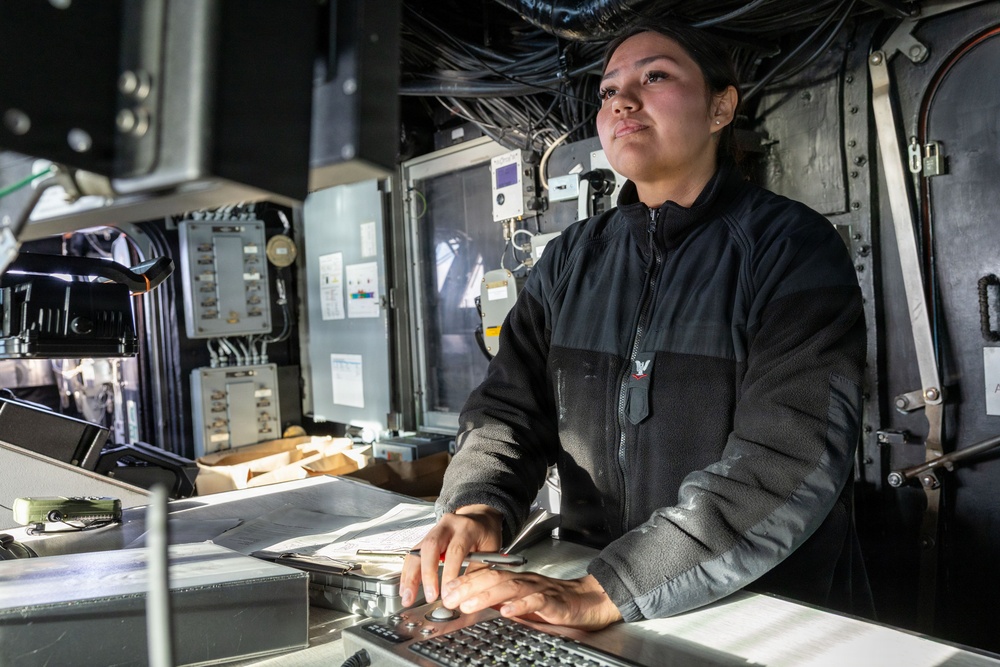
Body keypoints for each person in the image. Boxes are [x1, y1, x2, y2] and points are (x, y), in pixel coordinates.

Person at [400, 20, 869, 631]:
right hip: (589, 586)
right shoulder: (570, 259)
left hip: (754, 608)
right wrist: (480, 502)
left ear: (721, 106)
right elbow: (508, 409)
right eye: (608, 90)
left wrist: (614, 587)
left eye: (655, 76)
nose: (622, 100)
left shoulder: (789, 248)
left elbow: (787, 455)